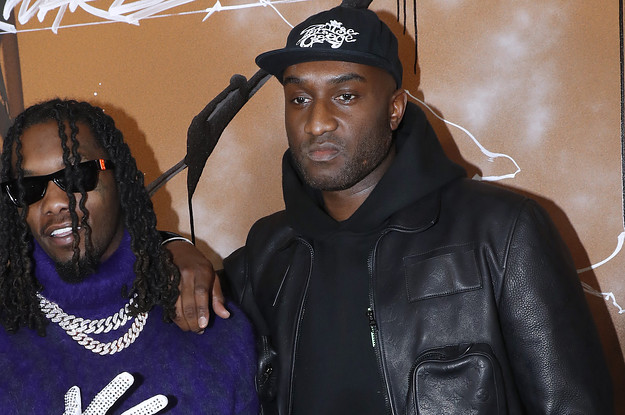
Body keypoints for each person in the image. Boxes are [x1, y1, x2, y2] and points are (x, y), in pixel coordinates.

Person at [172, 2, 614, 414]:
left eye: (345, 96)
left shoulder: (501, 232)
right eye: (299, 98)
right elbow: (124, 279)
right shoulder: (266, 255)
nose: (317, 121)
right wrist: (172, 246)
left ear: (396, 108)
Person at [0, 99, 259, 414]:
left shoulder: (211, 322)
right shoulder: (9, 339)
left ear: (120, 178)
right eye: (29, 187)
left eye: (76, 176)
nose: (53, 202)